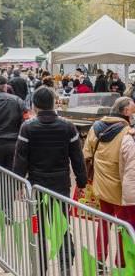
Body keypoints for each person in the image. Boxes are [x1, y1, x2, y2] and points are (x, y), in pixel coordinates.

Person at [13, 87, 87, 275]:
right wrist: (82, 181)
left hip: (37, 185)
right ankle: (65, 265)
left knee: (39, 229)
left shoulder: (28, 127)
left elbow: (21, 158)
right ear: (54, 103)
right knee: (61, 225)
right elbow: (77, 157)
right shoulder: (68, 126)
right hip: (61, 184)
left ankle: (41, 267)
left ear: (35, 105)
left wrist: (17, 182)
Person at [83, 96, 134, 269]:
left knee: (104, 223)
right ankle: (121, 262)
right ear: (126, 112)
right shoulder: (127, 133)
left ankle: (98, 260)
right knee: (123, 227)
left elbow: (86, 154)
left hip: (101, 184)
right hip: (120, 189)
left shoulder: (95, 127)